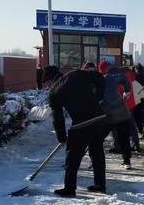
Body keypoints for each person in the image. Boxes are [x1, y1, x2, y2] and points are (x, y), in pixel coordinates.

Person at [43, 65, 107, 197]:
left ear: (49, 80)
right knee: (97, 152)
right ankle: (100, 185)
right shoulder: (76, 74)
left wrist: (61, 137)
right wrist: (99, 97)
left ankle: (69, 189)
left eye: (46, 84)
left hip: (82, 123)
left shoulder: (54, 92)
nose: (46, 87)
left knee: (72, 156)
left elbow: (58, 117)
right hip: (100, 118)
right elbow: (99, 77)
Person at [98, 60, 133, 169]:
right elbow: (124, 78)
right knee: (124, 138)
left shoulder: (102, 79)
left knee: (98, 138)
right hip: (122, 113)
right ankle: (127, 162)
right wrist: (126, 92)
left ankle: (96, 161)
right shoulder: (114, 77)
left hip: (108, 115)